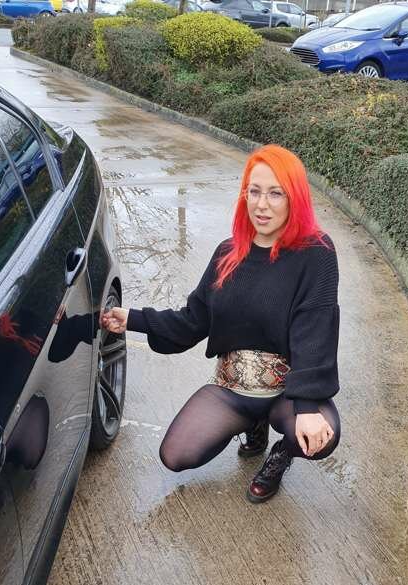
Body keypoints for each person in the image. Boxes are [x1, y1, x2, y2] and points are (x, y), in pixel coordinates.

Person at [101, 144, 341, 503]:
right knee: (175, 454)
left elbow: (315, 329)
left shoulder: (316, 253)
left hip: (287, 392)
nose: (261, 205)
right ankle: (253, 425)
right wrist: (134, 319)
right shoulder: (228, 252)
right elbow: (193, 321)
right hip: (233, 388)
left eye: (275, 193)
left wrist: (307, 408)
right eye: (254, 192)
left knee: (323, 435)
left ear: (295, 197)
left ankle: (281, 454)